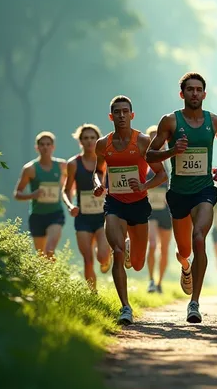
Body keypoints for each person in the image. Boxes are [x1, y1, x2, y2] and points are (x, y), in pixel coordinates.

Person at [147, 72, 217, 324]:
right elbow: (150, 155)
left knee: (199, 238)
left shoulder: (215, 121)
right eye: (190, 89)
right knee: (184, 251)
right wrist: (173, 150)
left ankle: (194, 302)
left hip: (205, 190)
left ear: (204, 94)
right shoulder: (170, 122)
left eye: (198, 90)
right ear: (182, 94)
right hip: (178, 194)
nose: (194, 93)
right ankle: (186, 268)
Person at [93, 96, 167, 325]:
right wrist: (98, 184)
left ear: (132, 115)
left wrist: (144, 185)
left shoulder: (143, 142)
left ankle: (128, 247)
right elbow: (98, 170)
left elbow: (162, 174)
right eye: (117, 112)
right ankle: (125, 307)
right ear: (111, 116)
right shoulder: (102, 144)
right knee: (115, 250)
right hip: (114, 203)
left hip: (139, 205)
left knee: (137, 263)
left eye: (126, 111)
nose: (122, 115)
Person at [62, 123, 111, 290]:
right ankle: (93, 294)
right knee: (88, 259)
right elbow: (66, 190)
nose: (89, 141)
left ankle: (107, 259)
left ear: (98, 140)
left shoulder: (105, 161)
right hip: (83, 216)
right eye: (85, 138)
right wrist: (69, 206)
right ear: (80, 141)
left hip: (103, 216)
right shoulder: (73, 163)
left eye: (93, 138)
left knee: (102, 256)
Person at [14, 131, 66, 258]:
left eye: (48, 144)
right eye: (42, 144)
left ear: (53, 147)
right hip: (37, 216)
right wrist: (32, 195)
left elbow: (70, 183)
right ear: (37, 148)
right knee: (41, 256)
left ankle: (54, 277)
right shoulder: (30, 169)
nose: (45, 147)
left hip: (55, 214)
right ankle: (47, 277)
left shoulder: (62, 166)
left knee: (49, 250)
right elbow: (17, 193)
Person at [145, 125, 172, 294]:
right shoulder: (145, 162)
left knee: (164, 248)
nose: (158, 141)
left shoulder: (170, 162)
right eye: (153, 138)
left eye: (159, 138)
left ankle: (160, 282)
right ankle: (150, 280)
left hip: (166, 211)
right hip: (150, 210)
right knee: (153, 244)